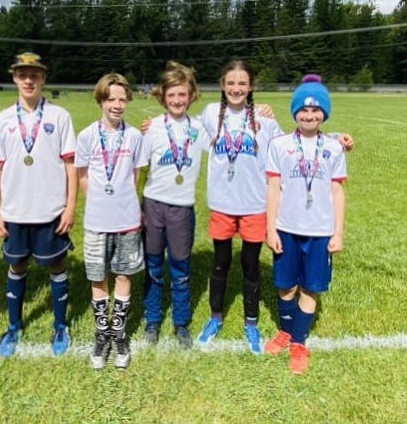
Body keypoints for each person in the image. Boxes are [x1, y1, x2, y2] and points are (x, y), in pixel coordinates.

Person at [0, 51, 77, 358]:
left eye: (34, 74)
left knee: (57, 263)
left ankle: (61, 325)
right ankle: (14, 326)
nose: (28, 80)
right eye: (22, 74)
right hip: (15, 211)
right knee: (17, 264)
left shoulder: (59, 116)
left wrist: (71, 205)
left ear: (43, 78)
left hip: (51, 210)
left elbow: (70, 166)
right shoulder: (1, 121)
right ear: (14, 78)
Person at [196, 61, 283, 353]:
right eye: (231, 83)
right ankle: (215, 318)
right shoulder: (210, 114)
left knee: (250, 266)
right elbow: (182, 127)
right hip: (222, 204)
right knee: (220, 263)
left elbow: (289, 147)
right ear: (222, 85)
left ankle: (251, 323)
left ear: (251, 87)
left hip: (254, 205)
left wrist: (333, 139)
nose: (236, 88)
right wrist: (152, 126)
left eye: (242, 83)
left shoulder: (264, 119)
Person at [264, 75, 347, 374]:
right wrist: (271, 228)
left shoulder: (334, 148)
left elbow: (337, 191)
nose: (309, 115)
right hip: (286, 226)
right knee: (285, 285)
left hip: (320, 232)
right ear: (295, 112)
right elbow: (273, 187)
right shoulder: (280, 145)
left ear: (324, 113)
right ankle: (286, 330)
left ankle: (299, 341)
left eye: (316, 110)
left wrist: (337, 232)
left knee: (310, 288)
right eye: (303, 109)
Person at [75, 73, 146, 369]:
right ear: (101, 100)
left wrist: (122, 202)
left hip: (127, 219)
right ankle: (101, 334)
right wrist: (101, 202)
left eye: (121, 99)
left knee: (123, 275)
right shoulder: (87, 135)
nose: (117, 105)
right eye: (111, 99)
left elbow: (136, 175)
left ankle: (118, 334)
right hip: (96, 221)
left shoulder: (134, 136)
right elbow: (81, 176)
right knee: (98, 277)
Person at [140, 61, 207, 348]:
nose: (177, 100)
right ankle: (153, 320)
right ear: (163, 97)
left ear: (191, 95)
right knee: (153, 266)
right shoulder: (152, 128)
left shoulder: (201, 128)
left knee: (180, 268)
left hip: (182, 209)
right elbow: (139, 168)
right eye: (172, 95)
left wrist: (261, 112)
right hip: (154, 206)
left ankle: (181, 323)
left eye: (182, 94)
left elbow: (232, 144)